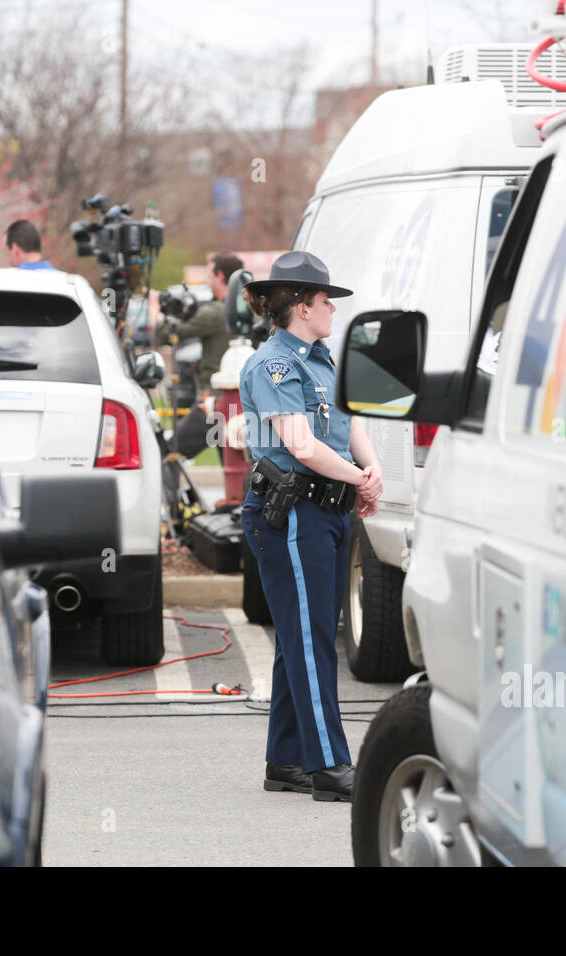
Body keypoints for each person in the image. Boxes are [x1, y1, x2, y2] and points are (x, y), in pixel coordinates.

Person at [238, 250, 383, 802]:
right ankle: (329, 765)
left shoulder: (322, 359)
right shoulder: (274, 364)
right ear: (302, 305)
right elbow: (299, 444)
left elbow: (351, 425)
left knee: (301, 637)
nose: (332, 311)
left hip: (326, 509)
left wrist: (368, 473)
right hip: (291, 514)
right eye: (326, 302)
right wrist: (356, 480)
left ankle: (285, 760)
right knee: (312, 639)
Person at [155, 252, 241, 458]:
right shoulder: (246, 308)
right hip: (240, 404)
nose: (206, 281)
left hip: (214, 402)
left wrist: (167, 310)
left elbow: (166, 332)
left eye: (209, 275)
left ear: (220, 276)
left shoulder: (217, 312)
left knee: (169, 452)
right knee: (234, 466)